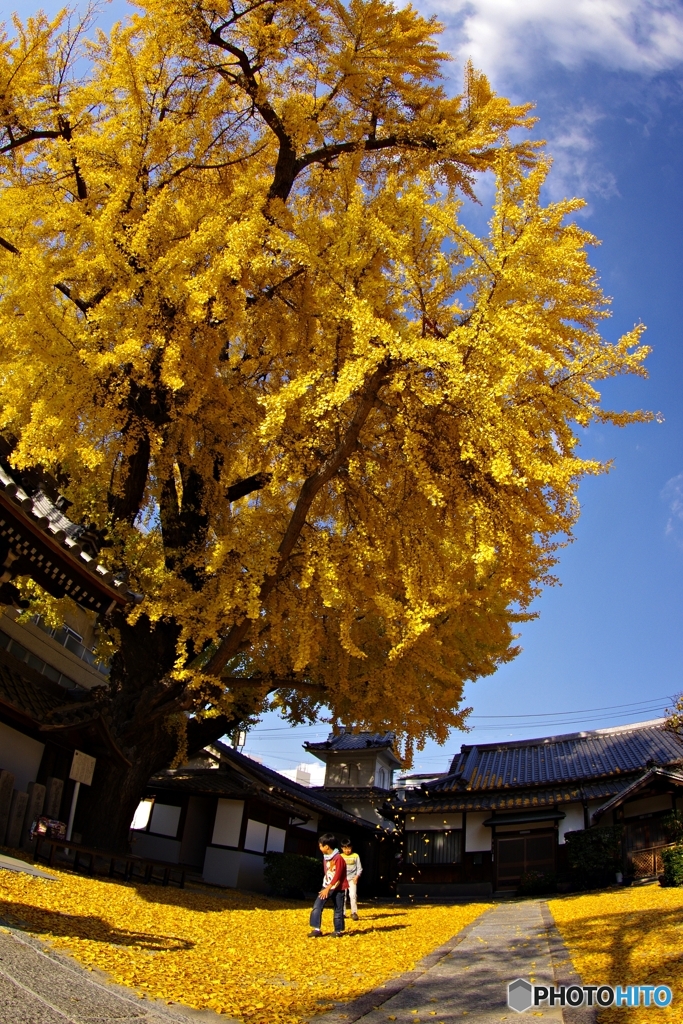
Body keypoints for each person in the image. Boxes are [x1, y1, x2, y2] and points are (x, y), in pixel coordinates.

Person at [308, 833, 348, 938]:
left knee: (338, 909)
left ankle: (338, 930)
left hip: (338, 887)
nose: (319, 847)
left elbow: (338, 875)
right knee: (317, 905)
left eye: (320, 845)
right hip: (326, 885)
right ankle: (316, 929)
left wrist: (328, 888)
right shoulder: (326, 858)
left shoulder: (338, 858)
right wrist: (325, 886)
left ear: (326, 846)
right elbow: (327, 872)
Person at [341, 839, 362, 920]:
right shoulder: (340, 856)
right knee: (343, 896)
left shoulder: (355, 856)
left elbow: (359, 868)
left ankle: (354, 912)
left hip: (352, 879)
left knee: (353, 895)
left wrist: (356, 877)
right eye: (345, 848)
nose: (347, 850)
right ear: (342, 848)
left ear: (351, 848)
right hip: (343, 879)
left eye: (348, 848)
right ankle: (342, 912)